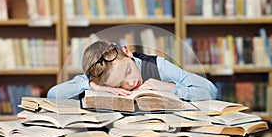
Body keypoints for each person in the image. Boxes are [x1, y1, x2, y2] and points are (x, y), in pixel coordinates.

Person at [47, 40, 217, 101]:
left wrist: (170, 88)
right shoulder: (97, 77)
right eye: (119, 84)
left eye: (128, 72)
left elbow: (210, 90)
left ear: (127, 52)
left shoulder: (159, 66)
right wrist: (93, 87)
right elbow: (53, 95)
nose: (130, 83)